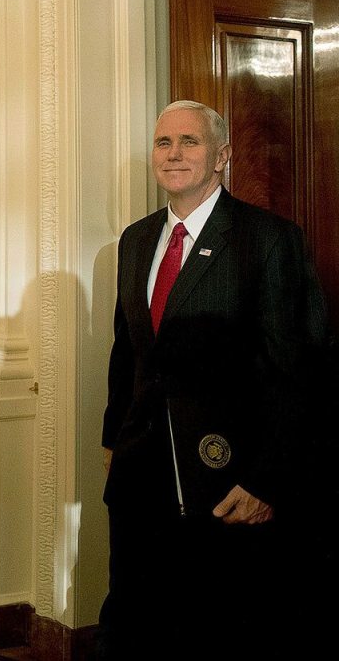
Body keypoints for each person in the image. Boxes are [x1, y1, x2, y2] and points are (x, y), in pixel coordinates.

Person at [98, 100, 328, 659]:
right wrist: (113, 439)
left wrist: (269, 481)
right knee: (138, 624)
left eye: (190, 142)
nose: (174, 154)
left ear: (222, 155)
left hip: (226, 484)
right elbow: (127, 349)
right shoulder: (135, 240)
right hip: (140, 479)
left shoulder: (268, 240)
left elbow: (298, 370)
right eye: (163, 143)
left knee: (217, 632)